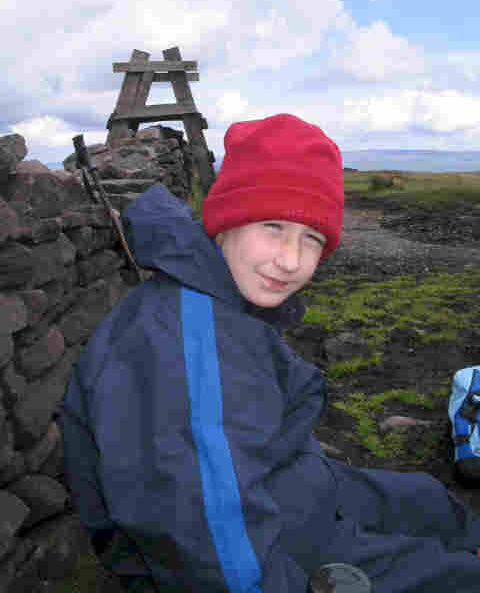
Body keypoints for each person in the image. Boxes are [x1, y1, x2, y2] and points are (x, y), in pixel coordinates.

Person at [59, 114, 480, 593]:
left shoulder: (224, 297)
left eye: (312, 239)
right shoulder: (184, 347)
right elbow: (213, 550)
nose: (291, 260)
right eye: (273, 226)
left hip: (292, 488)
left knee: (429, 501)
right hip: (270, 550)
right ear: (226, 221)